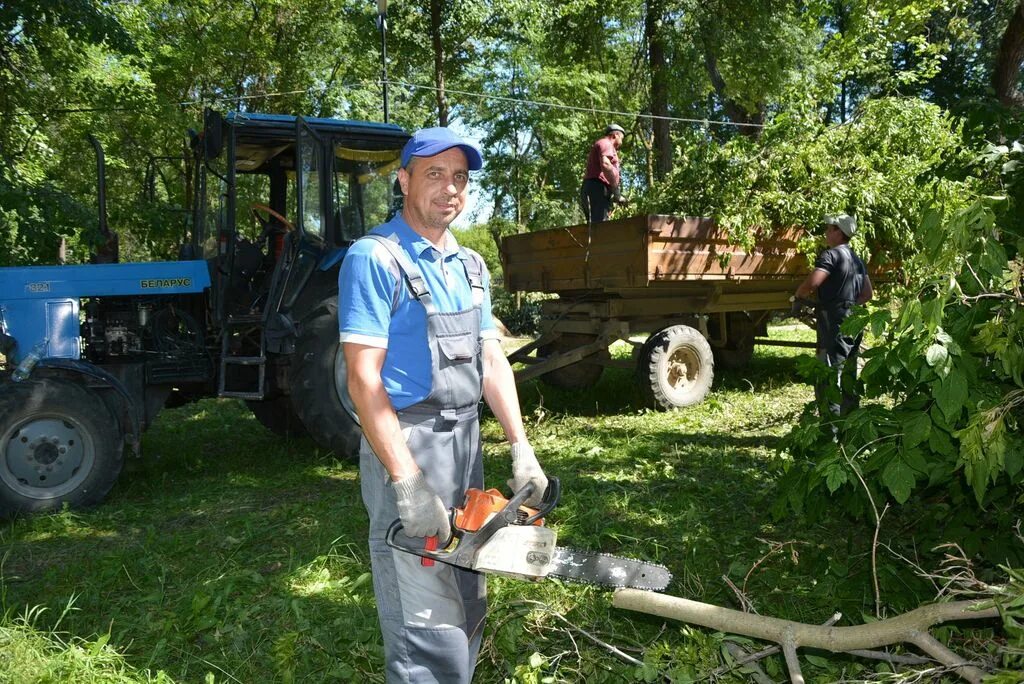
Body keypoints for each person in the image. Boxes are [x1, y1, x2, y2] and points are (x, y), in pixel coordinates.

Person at [338, 126, 548, 683]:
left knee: (466, 591)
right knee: (424, 619)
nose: (450, 188)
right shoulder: (374, 258)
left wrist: (521, 447)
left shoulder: (472, 267)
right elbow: (363, 380)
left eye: (460, 178)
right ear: (403, 180)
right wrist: (407, 481)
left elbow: (491, 361)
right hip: (406, 445)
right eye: (435, 174)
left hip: (465, 446)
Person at [793, 213, 874, 416]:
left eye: (830, 229)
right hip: (854, 319)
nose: (827, 233)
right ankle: (851, 422)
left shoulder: (831, 255)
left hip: (834, 321)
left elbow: (812, 283)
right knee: (849, 371)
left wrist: (798, 296)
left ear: (840, 233)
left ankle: (831, 427)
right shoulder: (857, 259)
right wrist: (848, 305)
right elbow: (867, 294)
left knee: (829, 372)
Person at [579, 123, 625, 223]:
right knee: (600, 226)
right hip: (597, 188)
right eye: (621, 138)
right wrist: (616, 192)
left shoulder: (605, 145)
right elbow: (606, 165)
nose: (621, 142)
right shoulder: (606, 143)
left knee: (594, 225)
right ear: (615, 135)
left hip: (594, 188)